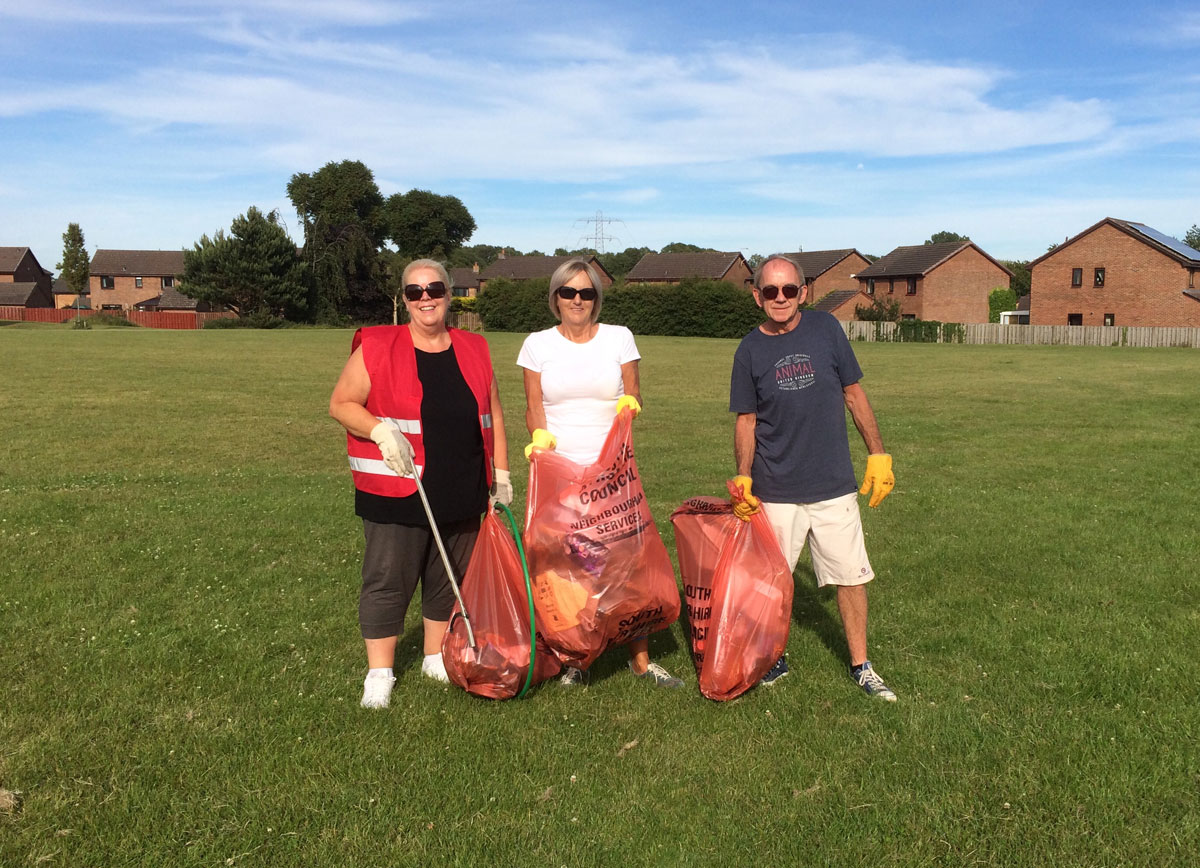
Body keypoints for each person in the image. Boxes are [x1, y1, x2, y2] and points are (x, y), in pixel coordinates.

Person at [330, 258, 511, 709]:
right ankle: (380, 673)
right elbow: (341, 403)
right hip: (398, 487)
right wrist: (378, 429)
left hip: (463, 484)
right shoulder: (376, 346)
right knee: (388, 580)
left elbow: (495, 415)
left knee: (446, 579)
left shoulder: (475, 347)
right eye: (415, 292)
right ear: (404, 300)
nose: (425, 297)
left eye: (434, 289)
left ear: (450, 294)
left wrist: (502, 475)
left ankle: (434, 656)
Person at [729, 253, 897, 701]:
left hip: (832, 485)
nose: (780, 298)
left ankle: (862, 665)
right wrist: (743, 477)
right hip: (775, 487)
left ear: (803, 292)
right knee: (773, 582)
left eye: (789, 290)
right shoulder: (749, 349)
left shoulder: (826, 330)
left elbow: (853, 393)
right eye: (770, 291)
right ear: (757, 296)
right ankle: (773, 657)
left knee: (850, 577)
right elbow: (746, 420)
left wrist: (878, 454)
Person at [517, 258, 682, 688]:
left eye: (586, 292)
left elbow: (634, 389)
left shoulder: (618, 338)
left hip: (611, 471)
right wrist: (539, 437)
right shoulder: (537, 344)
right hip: (560, 471)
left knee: (628, 560)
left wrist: (632, 405)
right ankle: (578, 657)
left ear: (597, 298)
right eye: (568, 292)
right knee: (567, 564)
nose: (577, 300)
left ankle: (640, 659)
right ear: (555, 298)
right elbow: (534, 404)